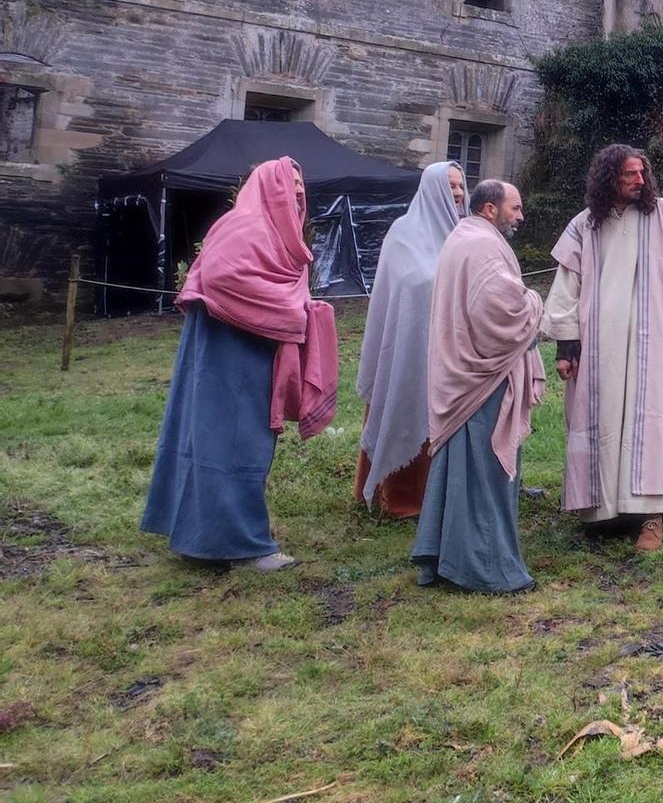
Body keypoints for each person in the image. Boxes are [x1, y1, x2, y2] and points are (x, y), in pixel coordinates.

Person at [141, 158, 336, 571]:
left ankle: (206, 539)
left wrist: (300, 309)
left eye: (303, 184)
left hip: (253, 355)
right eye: (290, 184)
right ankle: (239, 545)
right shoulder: (243, 227)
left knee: (236, 443)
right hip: (226, 356)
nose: (299, 192)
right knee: (228, 444)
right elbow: (220, 279)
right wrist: (292, 312)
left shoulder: (280, 236)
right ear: (267, 186)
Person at [545, 145, 663, 552]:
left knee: (648, 421)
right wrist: (567, 347)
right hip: (599, 346)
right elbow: (567, 287)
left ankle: (651, 514)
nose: (640, 181)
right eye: (630, 175)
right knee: (600, 421)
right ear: (609, 178)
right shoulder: (585, 226)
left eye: (642, 173)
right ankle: (604, 510)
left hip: (648, 342)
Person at [412, 179, 547, 593]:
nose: (520, 216)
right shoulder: (482, 245)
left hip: (461, 373)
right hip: (480, 377)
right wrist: (536, 302)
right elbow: (500, 309)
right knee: (485, 473)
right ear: (490, 209)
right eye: (515, 208)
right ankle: (485, 569)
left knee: (460, 469)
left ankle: (443, 558)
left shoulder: (463, 236)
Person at [355, 161, 464, 518]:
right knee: (405, 404)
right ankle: (399, 496)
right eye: (451, 186)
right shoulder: (404, 233)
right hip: (409, 348)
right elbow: (408, 286)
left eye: (462, 186)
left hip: (451, 354)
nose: (459, 193)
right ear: (432, 188)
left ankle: (442, 494)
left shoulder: (463, 235)